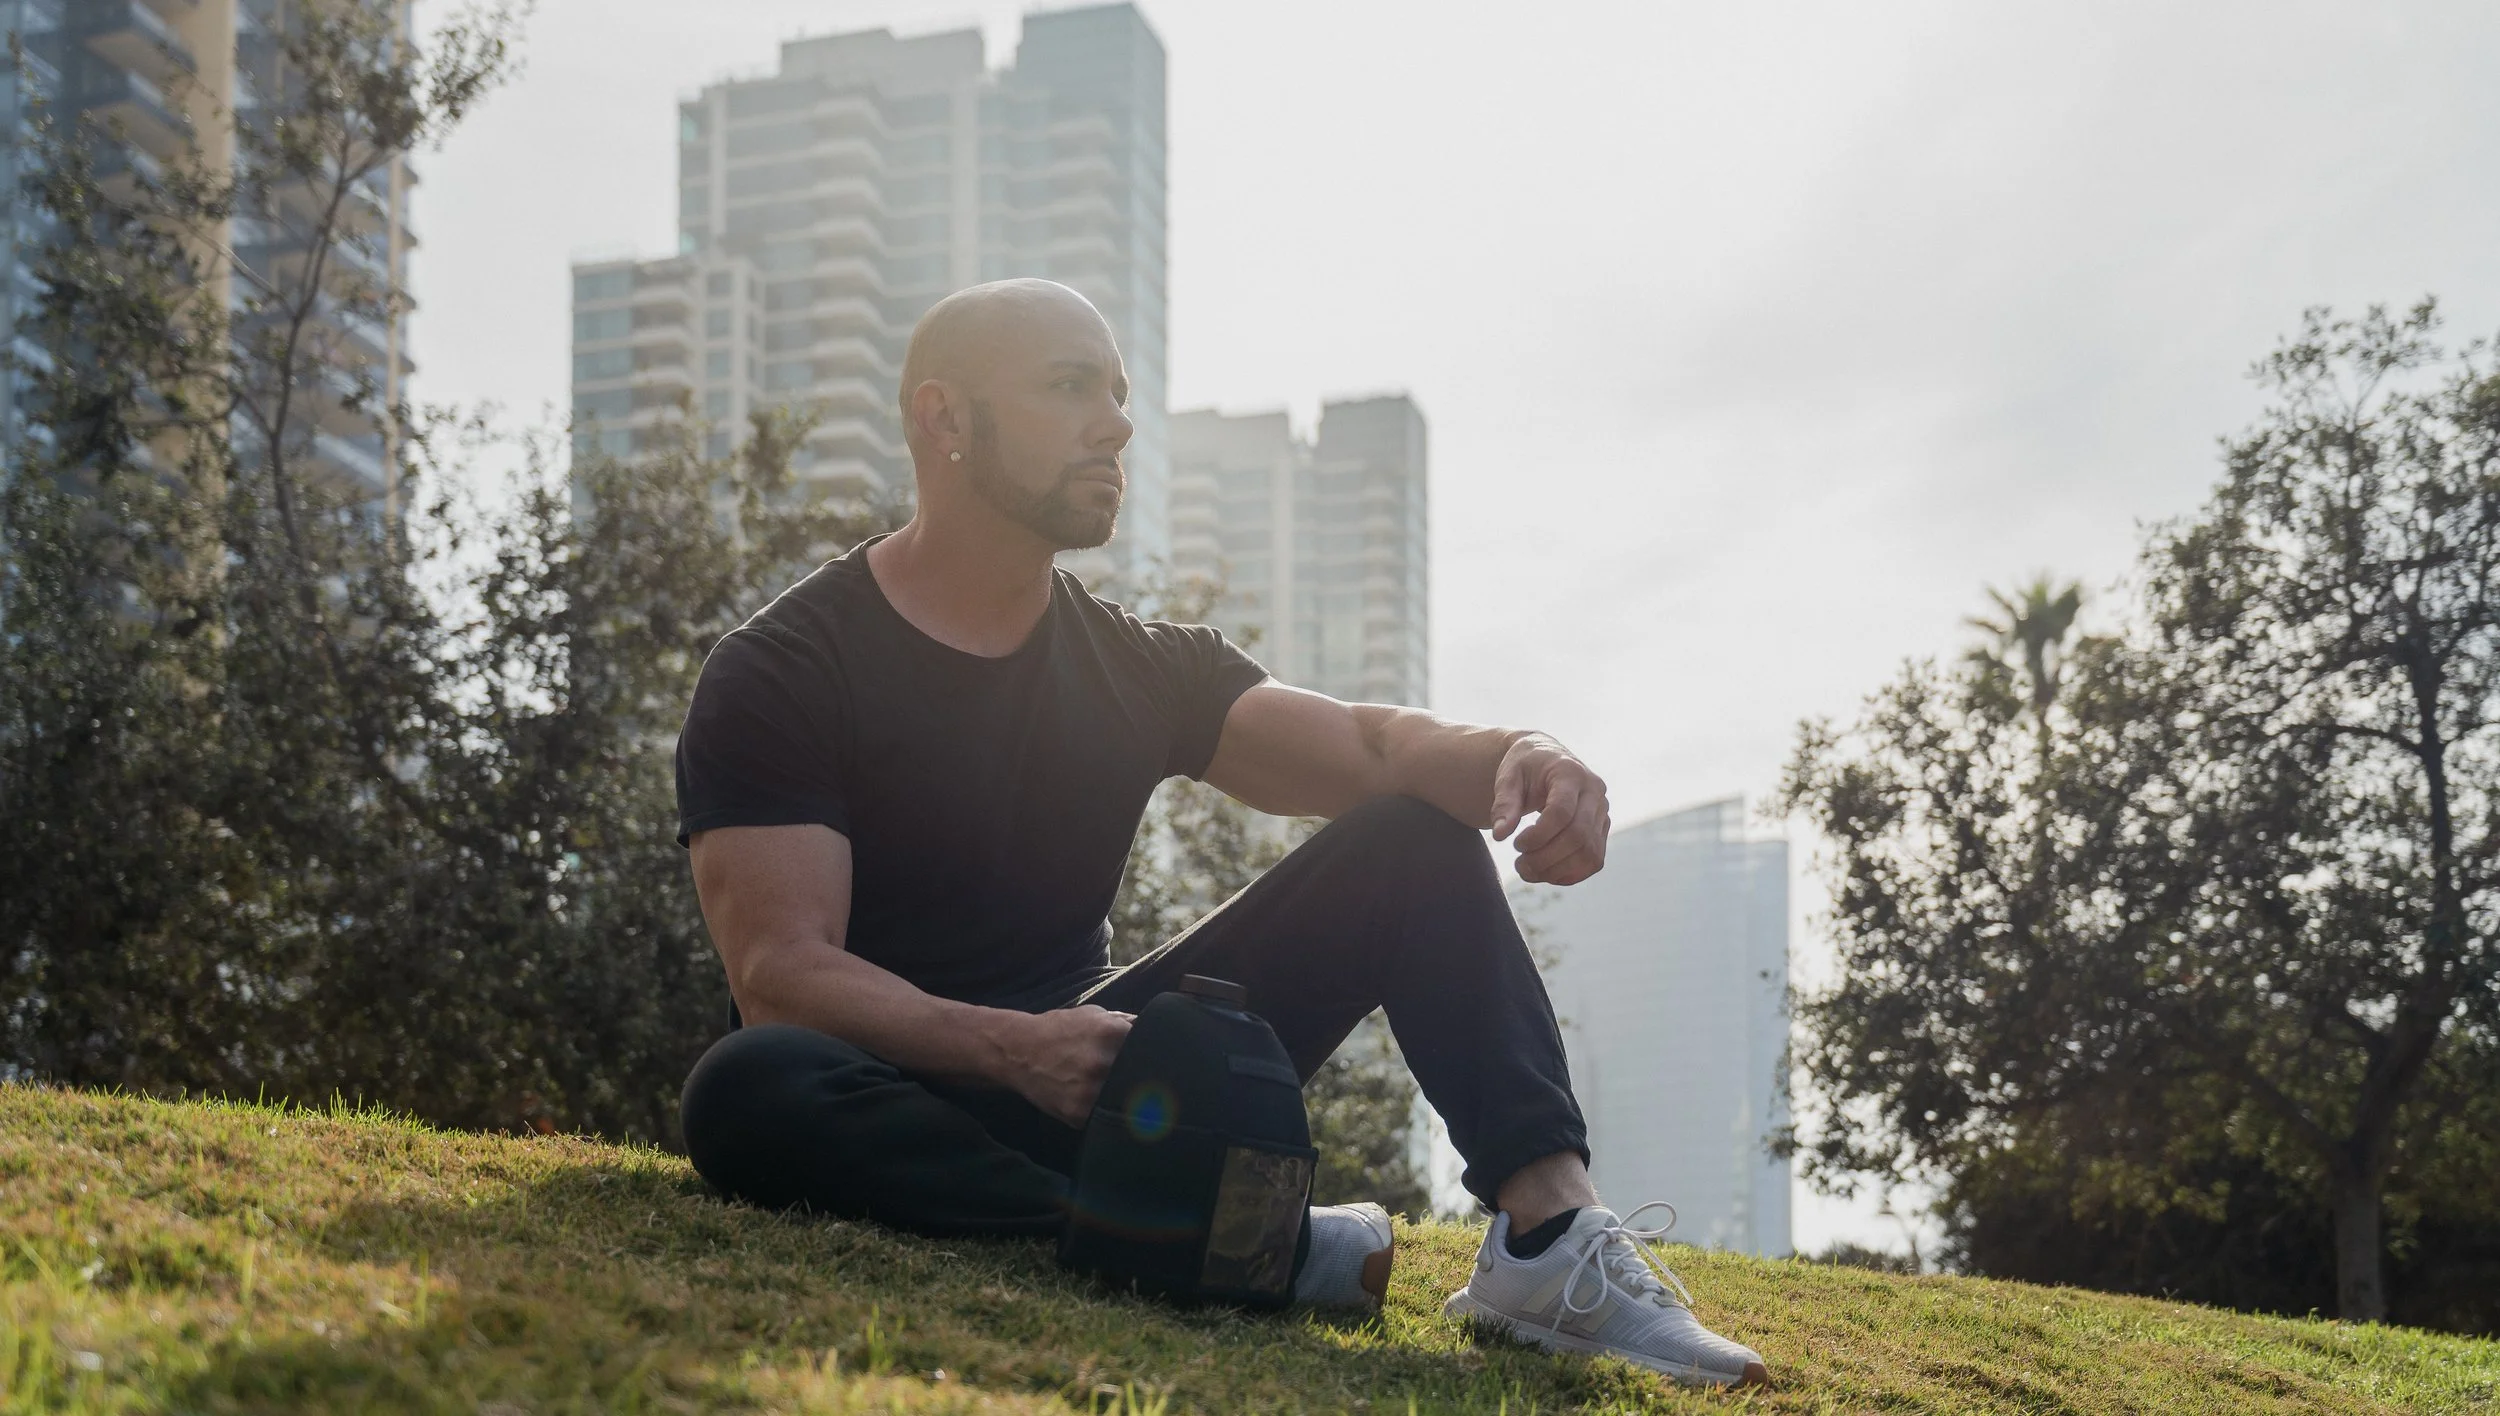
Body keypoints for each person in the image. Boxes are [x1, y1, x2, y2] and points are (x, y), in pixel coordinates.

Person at [672, 279, 1771, 1389]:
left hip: (1112, 1093)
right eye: (1068, 388)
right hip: (892, 1101)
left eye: (1119, 393)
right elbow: (780, 972)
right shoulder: (786, 669)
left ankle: (1546, 1243)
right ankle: (1259, 1247)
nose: (1115, 423)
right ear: (942, 419)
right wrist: (1009, 1045)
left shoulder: (1145, 668)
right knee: (749, 1082)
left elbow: (1374, 747)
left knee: (1414, 834)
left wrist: (1516, 752)